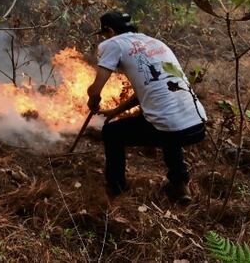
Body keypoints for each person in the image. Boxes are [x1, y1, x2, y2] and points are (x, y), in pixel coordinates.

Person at [85, 11, 207, 202]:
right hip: (198, 124)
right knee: (167, 120)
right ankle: (180, 185)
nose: (105, 37)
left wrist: (93, 100)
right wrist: (115, 112)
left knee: (111, 133)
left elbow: (96, 89)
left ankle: (115, 190)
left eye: (105, 33)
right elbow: (147, 91)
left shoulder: (113, 44)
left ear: (109, 30)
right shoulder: (155, 43)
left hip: (171, 127)